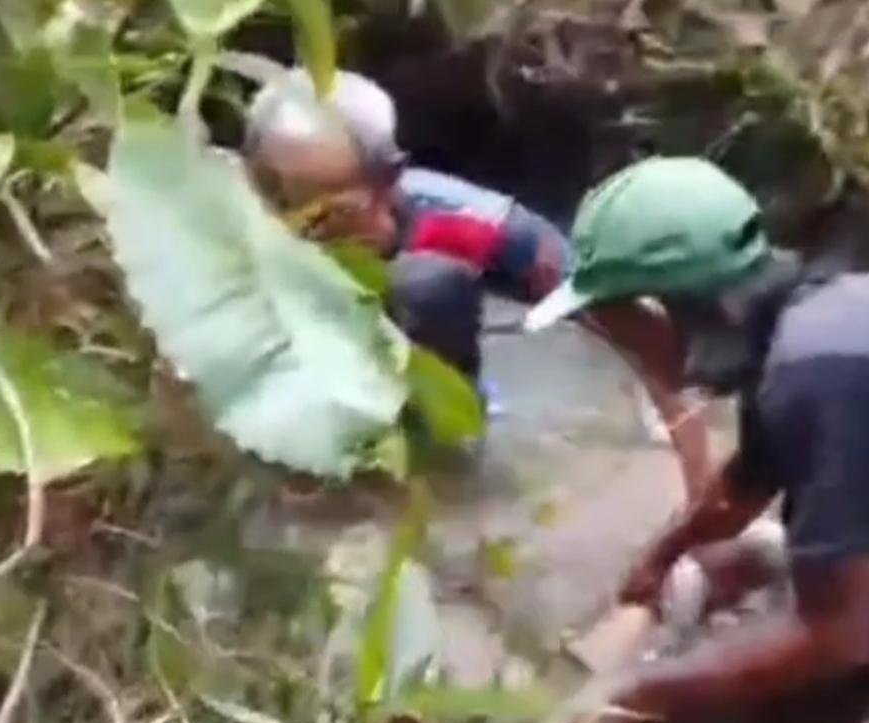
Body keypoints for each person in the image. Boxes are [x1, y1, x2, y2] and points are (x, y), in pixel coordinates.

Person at [524, 156, 869, 723]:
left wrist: (639, 692)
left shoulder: (824, 373)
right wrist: (662, 559)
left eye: (615, 322)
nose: (618, 342)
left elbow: (835, 635)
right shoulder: (820, 324)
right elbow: (742, 491)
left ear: (656, 308)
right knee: (789, 566)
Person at [241, 67, 714, 494]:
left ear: (387, 180)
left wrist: (703, 503)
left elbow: (638, 329)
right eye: (279, 203)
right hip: (288, 383)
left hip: (422, 386)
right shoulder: (219, 228)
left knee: (427, 284)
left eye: (327, 211)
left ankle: (442, 462)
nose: (298, 226)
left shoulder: (462, 223)